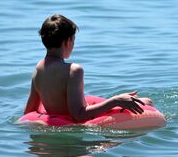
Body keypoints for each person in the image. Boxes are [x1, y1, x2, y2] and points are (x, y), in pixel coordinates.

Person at [24, 14, 153, 121]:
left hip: (57, 121)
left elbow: (29, 111)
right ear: (67, 41)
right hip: (75, 124)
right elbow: (78, 115)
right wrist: (115, 100)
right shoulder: (73, 70)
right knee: (147, 102)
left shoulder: (38, 68)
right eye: (73, 40)